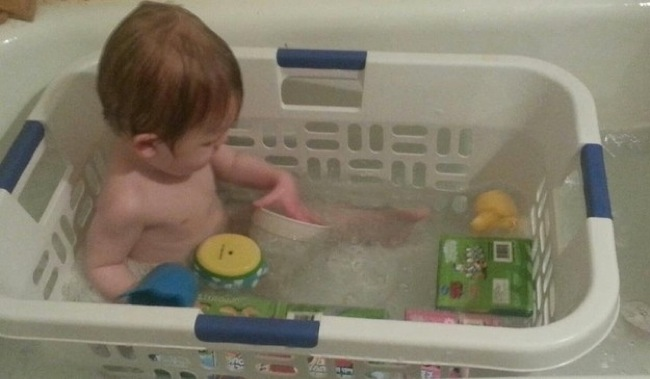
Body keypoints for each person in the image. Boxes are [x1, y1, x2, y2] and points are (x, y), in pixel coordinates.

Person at [84, 1, 316, 302]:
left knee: (319, 221)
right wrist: (145, 303)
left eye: (223, 132)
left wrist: (278, 179)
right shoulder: (128, 202)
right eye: (210, 141)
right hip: (188, 283)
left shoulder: (180, 148)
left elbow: (232, 164)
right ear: (148, 146)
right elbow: (103, 264)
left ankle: (390, 223)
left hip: (231, 234)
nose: (221, 144)